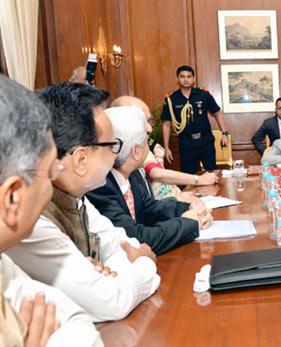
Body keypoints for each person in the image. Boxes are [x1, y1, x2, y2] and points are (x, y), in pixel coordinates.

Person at [7, 82, 160, 323]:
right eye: (112, 146)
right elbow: (111, 301)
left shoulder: (78, 198)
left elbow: (119, 241)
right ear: (80, 159)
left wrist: (103, 275)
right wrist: (144, 262)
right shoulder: (31, 218)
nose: (116, 155)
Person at [0, 75, 102, 345]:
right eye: (50, 171)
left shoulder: (4, 265)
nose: (55, 179)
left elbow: (76, 323)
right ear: (12, 198)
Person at [87, 106, 212, 255]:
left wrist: (190, 209)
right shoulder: (100, 185)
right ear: (136, 151)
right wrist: (189, 223)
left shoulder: (131, 175)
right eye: (147, 141)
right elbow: (137, 238)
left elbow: (151, 209)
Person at [111, 96, 219, 200]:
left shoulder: (142, 148)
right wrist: (199, 180)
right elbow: (157, 174)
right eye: (142, 121)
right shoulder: (127, 154)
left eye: (150, 121)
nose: (150, 129)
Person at [161, 65, 229, 174]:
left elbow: (217, 113)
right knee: (189, 177)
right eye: (182, 76)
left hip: (205, 141)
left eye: (189, 76)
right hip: (186, 143)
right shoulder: (171, 99)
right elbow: (166, 124)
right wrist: (166, 147)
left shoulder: (203, 95)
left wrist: (224, 133)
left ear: (193, 79)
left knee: (211, 174)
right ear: (177, 79)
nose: (186, 79)